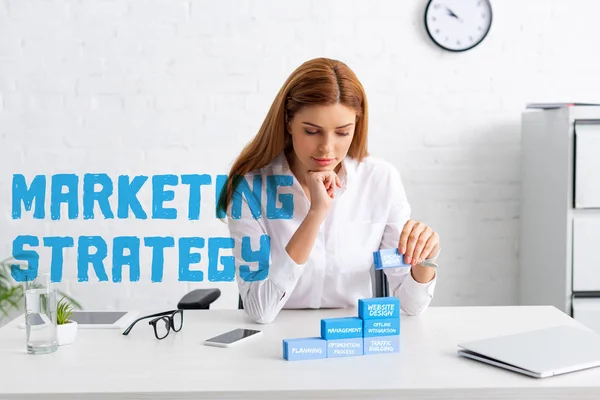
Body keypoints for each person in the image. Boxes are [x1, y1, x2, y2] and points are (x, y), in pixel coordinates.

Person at [216, 57, 440, 324]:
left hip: (351, 339)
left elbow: (411, 305)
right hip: (275, 341)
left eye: (342, 133)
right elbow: (259, 310)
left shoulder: (380, 180)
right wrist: (316, 213)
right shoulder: (251, 189)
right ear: (288, 122)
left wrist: (425, 259)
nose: (327, 149)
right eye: (312, 131)